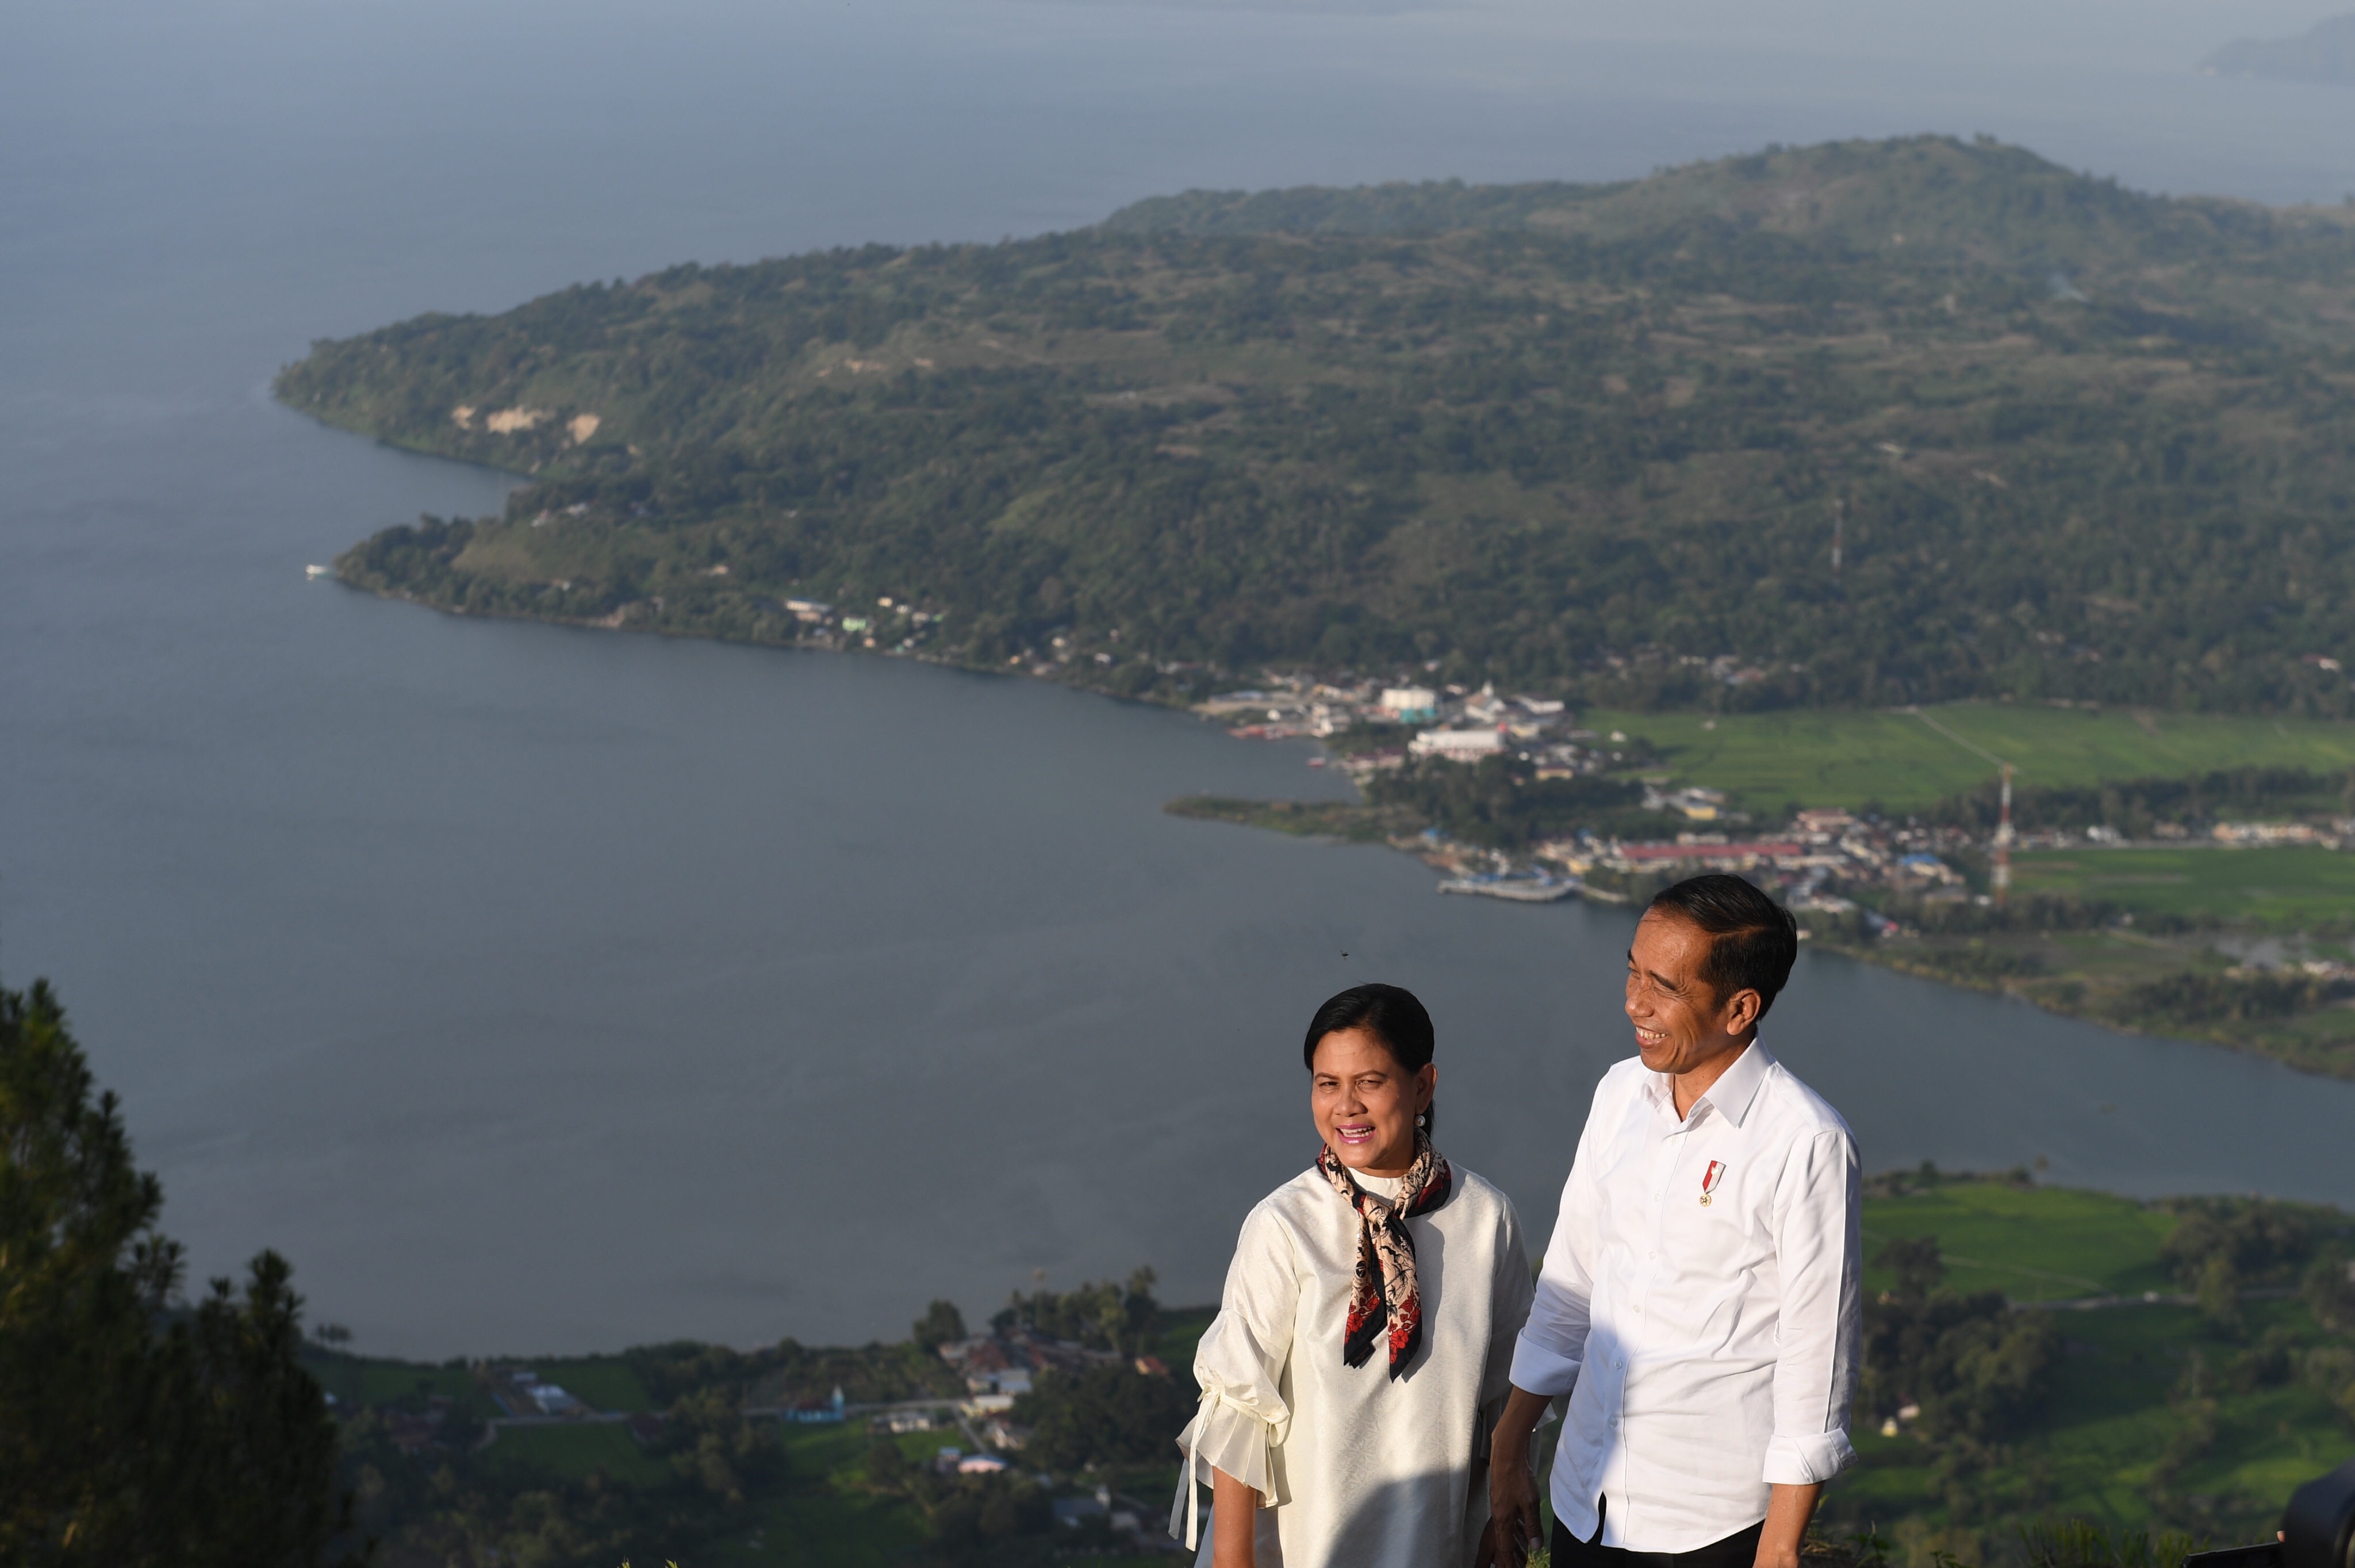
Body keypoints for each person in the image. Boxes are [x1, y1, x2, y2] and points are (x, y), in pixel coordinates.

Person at [1483, 874, 1861, 1568]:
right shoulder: (1620, 1092)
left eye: (1664, 986)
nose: (1634, 1002)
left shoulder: (1803, 1142)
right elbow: (1571, 1284)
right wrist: (1511, 1446)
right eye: (1632, 971)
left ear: (1739, 1007)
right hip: (1584, 1498)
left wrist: (1778, 1547)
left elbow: (1819, 1360)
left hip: (1708, 1526)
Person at [1172, 982, 1533, 1568]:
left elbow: (1507, 1393)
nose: (1346, 1106)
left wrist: (1500, 1514)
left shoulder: (1485, 1218)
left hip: (1436, 1543)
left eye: (1370, 1082)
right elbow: (1239, 1408)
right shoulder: (1285, 1225)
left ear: (1422, 1085)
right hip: (1305, 1545)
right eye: (1327, 1084)